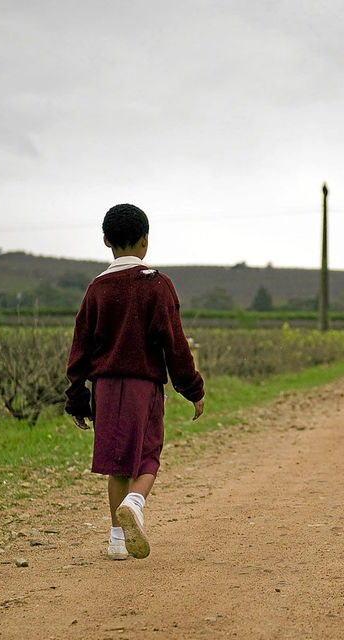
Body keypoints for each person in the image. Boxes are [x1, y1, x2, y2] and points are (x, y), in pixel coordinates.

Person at [65, 203, 204, 560]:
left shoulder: (95, 289)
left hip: (106, 388)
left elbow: (79, 348)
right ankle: (136, 504)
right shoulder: (157, 285)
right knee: (147, 458)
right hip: (144, 388)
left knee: (117, 463)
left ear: (106, 241)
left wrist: (77, 399)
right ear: (145, 241)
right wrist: (192, 389)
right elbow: (174, 344)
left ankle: (116, 541)